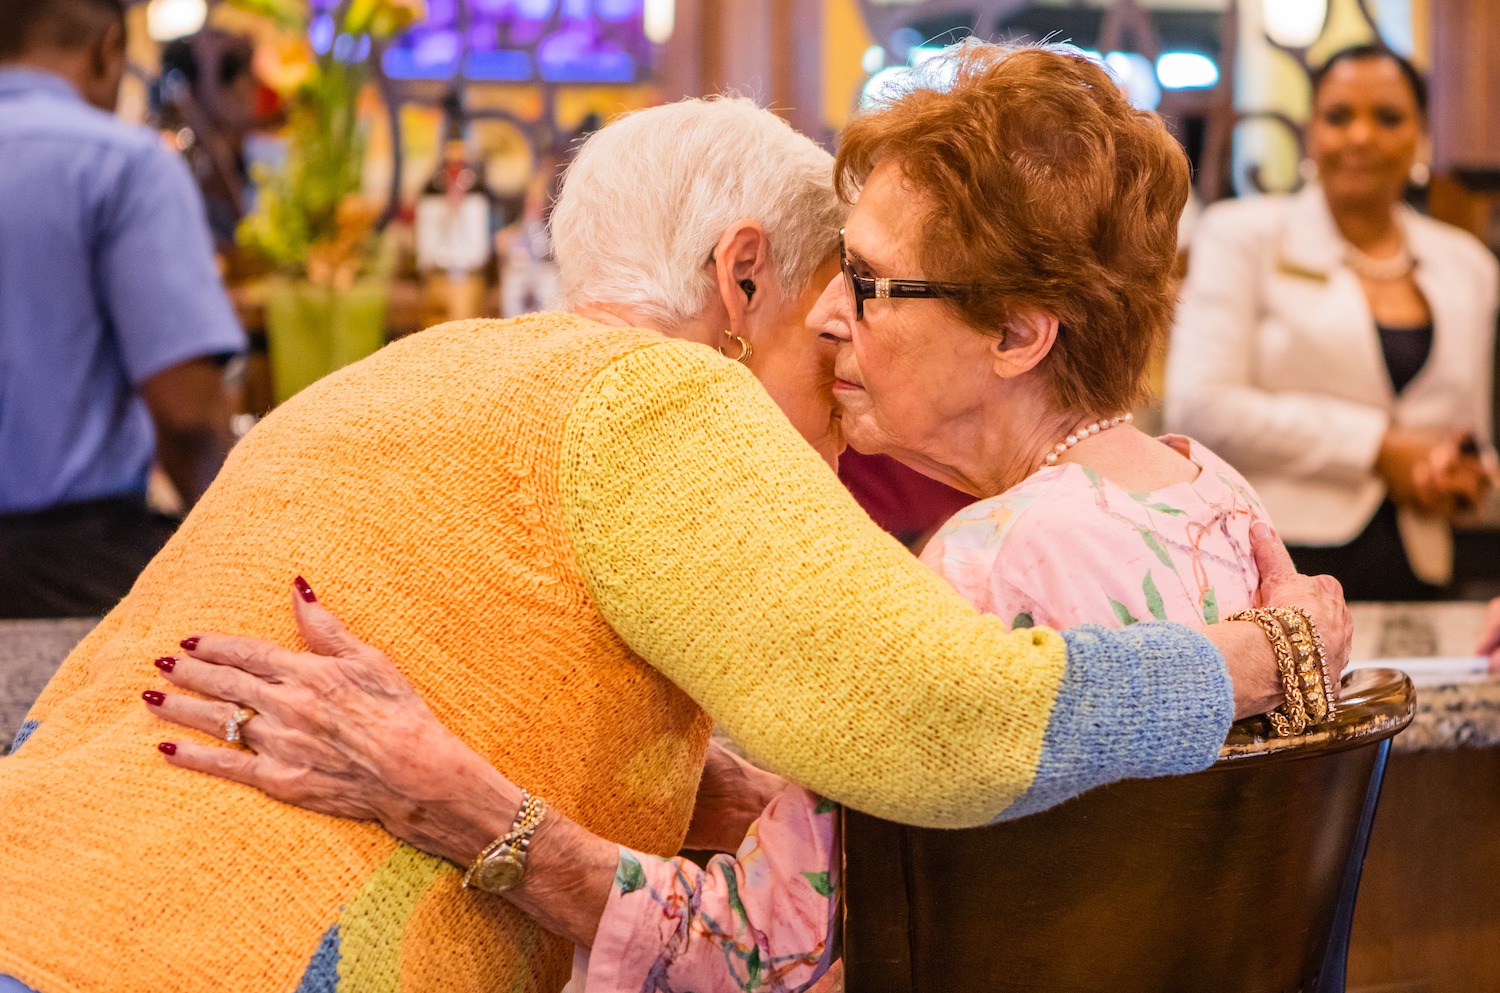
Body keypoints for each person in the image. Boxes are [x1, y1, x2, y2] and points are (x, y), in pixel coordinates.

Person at [0, 95, 1339, 993]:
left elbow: (520, 654)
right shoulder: (663, 391)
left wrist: (743, 797)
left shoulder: (408, 374)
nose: (853, 382)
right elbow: (941, 715)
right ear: (743, 281)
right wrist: (1254, 656)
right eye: (840, 315)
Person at [1166, 44, 1498, 601]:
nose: (1361, 136)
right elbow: (1199, 407)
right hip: (1272, 563)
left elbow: (1474, 431)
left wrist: (1468, 473)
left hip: (1425, 563)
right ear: (1311, 132)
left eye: (1388, 117)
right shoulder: (1241, 237)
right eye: (1339, 116)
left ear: (1421, 135)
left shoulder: (1468, 264)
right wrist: (1377, 447)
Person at [0, 0, 245, 619]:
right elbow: (186, 415)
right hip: (64, 573)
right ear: (110, 50)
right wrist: (243, 562)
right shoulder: (123, 165)